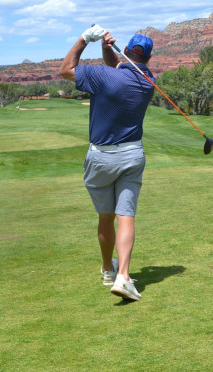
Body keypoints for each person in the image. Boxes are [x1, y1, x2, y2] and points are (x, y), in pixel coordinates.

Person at [59, 24, 155, 301]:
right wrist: (105, 48)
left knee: (106, 217)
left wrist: (84, 40)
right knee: (126, 215)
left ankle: (106, 270)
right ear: (147, 59)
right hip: (132, 155)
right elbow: (119, 71)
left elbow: (66, 69)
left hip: (100, 157)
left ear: (125, 51)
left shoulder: (101, 76)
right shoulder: (147, 81)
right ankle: (123, 275)